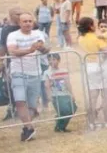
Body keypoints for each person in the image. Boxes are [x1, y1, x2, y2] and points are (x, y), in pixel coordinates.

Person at [5, 11, 49, 141]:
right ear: (19, 23)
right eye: (25, 21)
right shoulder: (13, 35)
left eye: (30, 21)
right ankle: (29, 127)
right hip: (18, 71)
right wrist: (29, 50)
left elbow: (46, 49)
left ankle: (26, 128)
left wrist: (41, 48)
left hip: (35, 72)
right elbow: (12, 51)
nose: (28, 24)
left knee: (32, 106)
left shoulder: (38, 34)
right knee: (19, 100)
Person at [77, 17, 107, 129]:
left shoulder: (81, 38)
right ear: (90, 26)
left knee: (92, 97)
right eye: (94, 24)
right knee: (106, 96)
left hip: (90, 67)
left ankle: (92, 122)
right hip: (102, 66)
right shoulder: (97, 38)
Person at [43, 53, 76, 133]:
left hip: (66, 93)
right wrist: (49, 95)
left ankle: (60, 123)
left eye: (53, 59)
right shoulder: (47, 72)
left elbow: (68, 83)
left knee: (73, 108)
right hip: (56, 95)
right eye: (49, 60)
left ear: (58, 60)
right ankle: (60, 127)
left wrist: (72, 94)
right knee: (65, 110)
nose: (51, 62)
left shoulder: (64, 71)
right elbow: (46, 85)